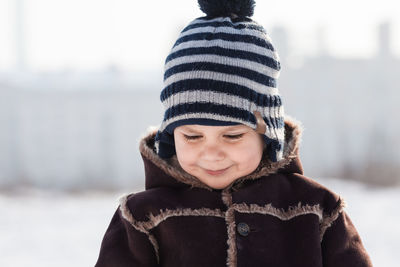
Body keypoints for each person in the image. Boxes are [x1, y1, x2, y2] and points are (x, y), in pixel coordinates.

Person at [95, 0, 372, 266]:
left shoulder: (315, 209)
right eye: (192, 137)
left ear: (267, 134)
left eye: (233, 136)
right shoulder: (144, 218)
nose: (212, 153)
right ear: (171, 137)